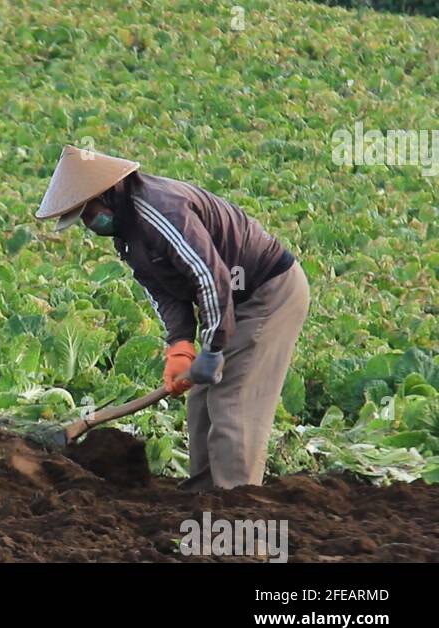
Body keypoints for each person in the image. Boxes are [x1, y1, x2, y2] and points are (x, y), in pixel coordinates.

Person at [35, 145, 309, 490]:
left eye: (87, 214)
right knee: (200, 402)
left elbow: (210, 276)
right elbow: (164, 291)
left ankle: (237, 505)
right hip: (229, 300)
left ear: (106, 194)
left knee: (232, 399)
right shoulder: (128, 234)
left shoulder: (159, 210)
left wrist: (212, 346)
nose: (89, 224)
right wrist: (180, 345)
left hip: (267, 292)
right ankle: (205, 495)